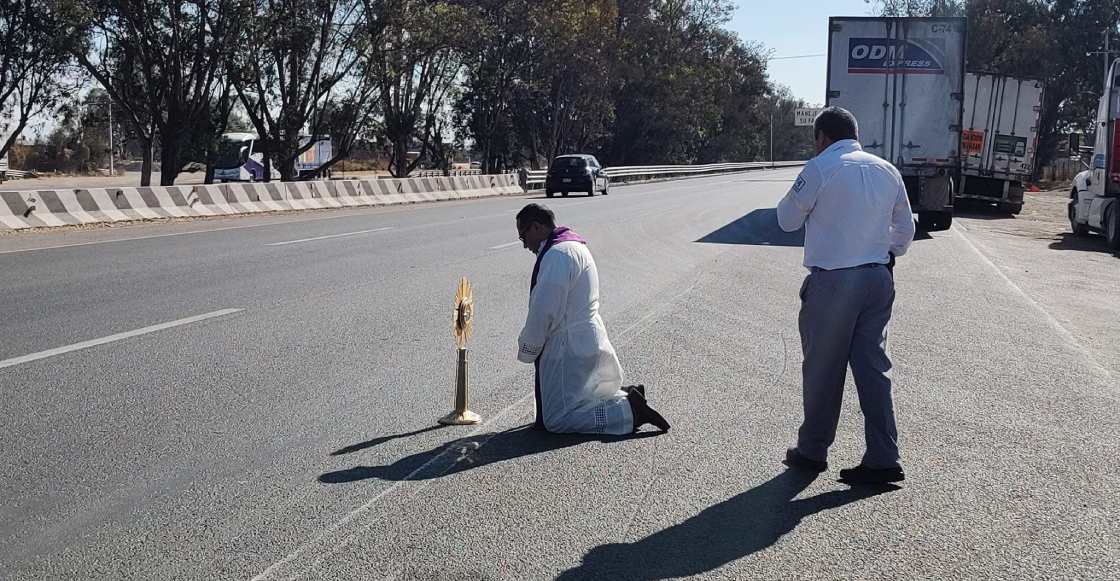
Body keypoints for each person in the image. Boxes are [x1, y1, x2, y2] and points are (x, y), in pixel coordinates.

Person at [775, 106, 915, 484]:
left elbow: (786, 220)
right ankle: (883, 457)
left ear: (822, 137)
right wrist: (888, 254)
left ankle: (813, 450)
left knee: (823, 367)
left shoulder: (820, 167)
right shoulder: (887, 170)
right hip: (877, 279)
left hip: (834, 282)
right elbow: (905, 228)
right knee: (873, 369)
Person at [515, 203, 670, 435]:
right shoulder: (574, 246)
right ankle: (627, 397)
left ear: (536, 227)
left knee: (557, 419)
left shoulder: (557, 255)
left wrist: (529, 345)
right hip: (585, 336)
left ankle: (629, 410)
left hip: (568, 346)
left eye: (523, 236)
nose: (525, 244)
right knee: (582, 396)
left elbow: (545, 309)